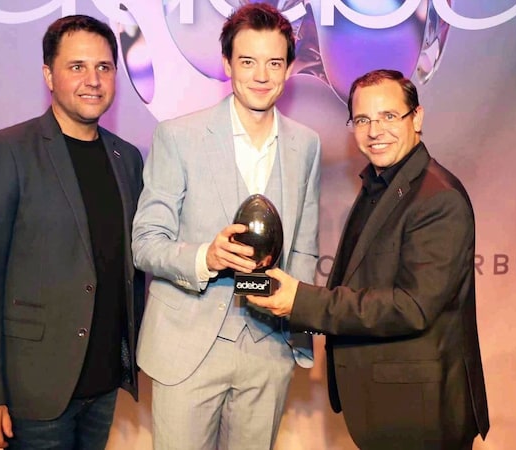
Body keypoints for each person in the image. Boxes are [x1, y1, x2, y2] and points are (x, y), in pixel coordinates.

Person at [247, 69, 490, 449]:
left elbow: (411, 306)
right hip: (391, 406)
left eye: (389, 116)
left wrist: (302, 301)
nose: (375, 131)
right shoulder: (384, 183)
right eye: (363, 119)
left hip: (420, 412)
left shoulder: (437, 198)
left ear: (418, 118)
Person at [131, 3, 320, 449]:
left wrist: (297, 327)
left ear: (290, 68)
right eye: (247, 61)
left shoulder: (306, 144)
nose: (260, 75)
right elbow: (145, 242)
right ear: (226, 64)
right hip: (188, 346)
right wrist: (205, 256)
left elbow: (306, 248)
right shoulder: (178, 137)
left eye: (274, 62)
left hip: (268, 348)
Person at [0, 15, 145, 449]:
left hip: (104, 384)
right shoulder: (5, 151)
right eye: (77, 67)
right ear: (48, 75)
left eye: (104, 67)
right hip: (33, 393)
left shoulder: (127, 158)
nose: (93, 80)